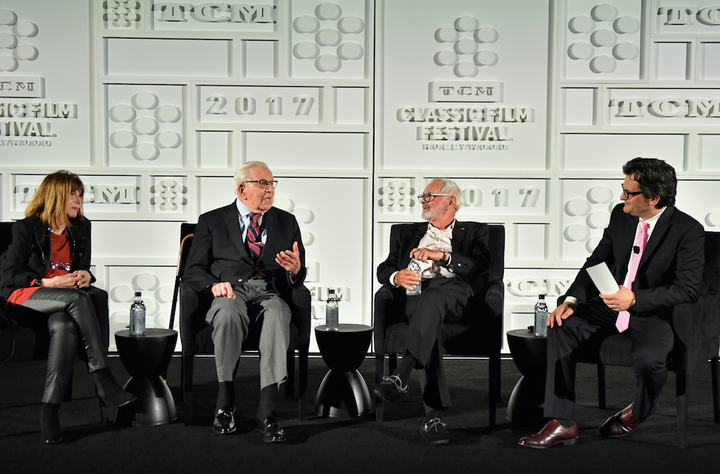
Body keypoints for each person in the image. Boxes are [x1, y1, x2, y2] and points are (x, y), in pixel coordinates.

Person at [519, 157, 705, 449]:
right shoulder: (621, 215)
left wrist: (635, 299)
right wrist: (573, 298)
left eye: (629, 193)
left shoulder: (687, 230)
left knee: (648, 362)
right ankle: (563, 423)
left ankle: (642, 407)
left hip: (653, 314)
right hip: (609, 308)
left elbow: (688, 289)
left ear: (654, 197)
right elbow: (597, 260)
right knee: (561, 323)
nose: (622, 197)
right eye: (623, 189)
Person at [0, 170, 136, 444]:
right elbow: (9, 275)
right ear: (56, 196)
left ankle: (49, 412)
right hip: (25, 296)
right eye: (72, 194)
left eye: (80, 194)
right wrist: (47, 282)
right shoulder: (26, 228)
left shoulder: (81, 227)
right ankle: (102, 377)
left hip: (63, 302)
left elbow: (81, 267)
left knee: (63, 326)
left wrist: (85, 275)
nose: (78, 200)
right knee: (79, 298)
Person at [182, 161, 305, 443]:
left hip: (269, 292)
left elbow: (298, 273)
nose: (270, 190)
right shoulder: (212, 220)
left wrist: (296, 270)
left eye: (273, 183)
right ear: (242, 189)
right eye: (263, 183)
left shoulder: (287, 221)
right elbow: (193, 270)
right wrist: (214, 285)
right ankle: (225, 404)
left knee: (276, 313)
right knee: (226, 313)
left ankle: (267, 411)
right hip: (229, 291)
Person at [374, 179, 491, 445]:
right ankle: (433, 418)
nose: (423, 200)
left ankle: (403, 373)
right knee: (428, 321)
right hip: (417, 294)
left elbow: (481, 265)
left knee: (434, 298)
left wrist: (442, 256)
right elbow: (384, 267)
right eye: (422, 196)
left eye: (430, 195)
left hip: (455, 291)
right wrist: (396, 277)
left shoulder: (475, 231)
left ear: (451, 200)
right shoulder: (408, 233)